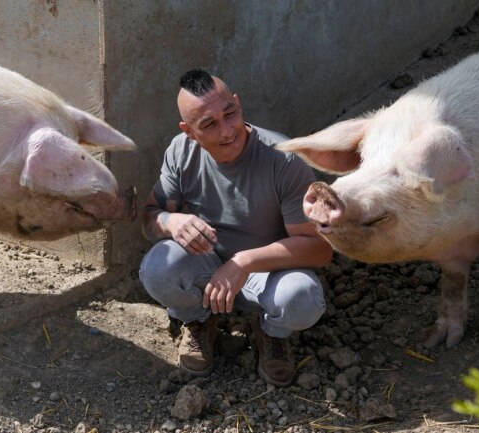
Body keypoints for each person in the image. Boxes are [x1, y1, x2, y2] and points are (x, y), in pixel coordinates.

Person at [138, 68, 333, 386]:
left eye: (231, 114)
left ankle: (273, 333)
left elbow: (320, 250)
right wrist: (171, 221)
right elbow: (150, 217)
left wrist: (244, 262)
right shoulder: (180, 151)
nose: (228, 131)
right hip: (208, 271)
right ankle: (199, 320)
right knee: (157, 268)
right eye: (209, 124)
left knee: (303, 298)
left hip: (270, 273)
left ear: (239, 104)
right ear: (189, 131)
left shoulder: (283, 160)